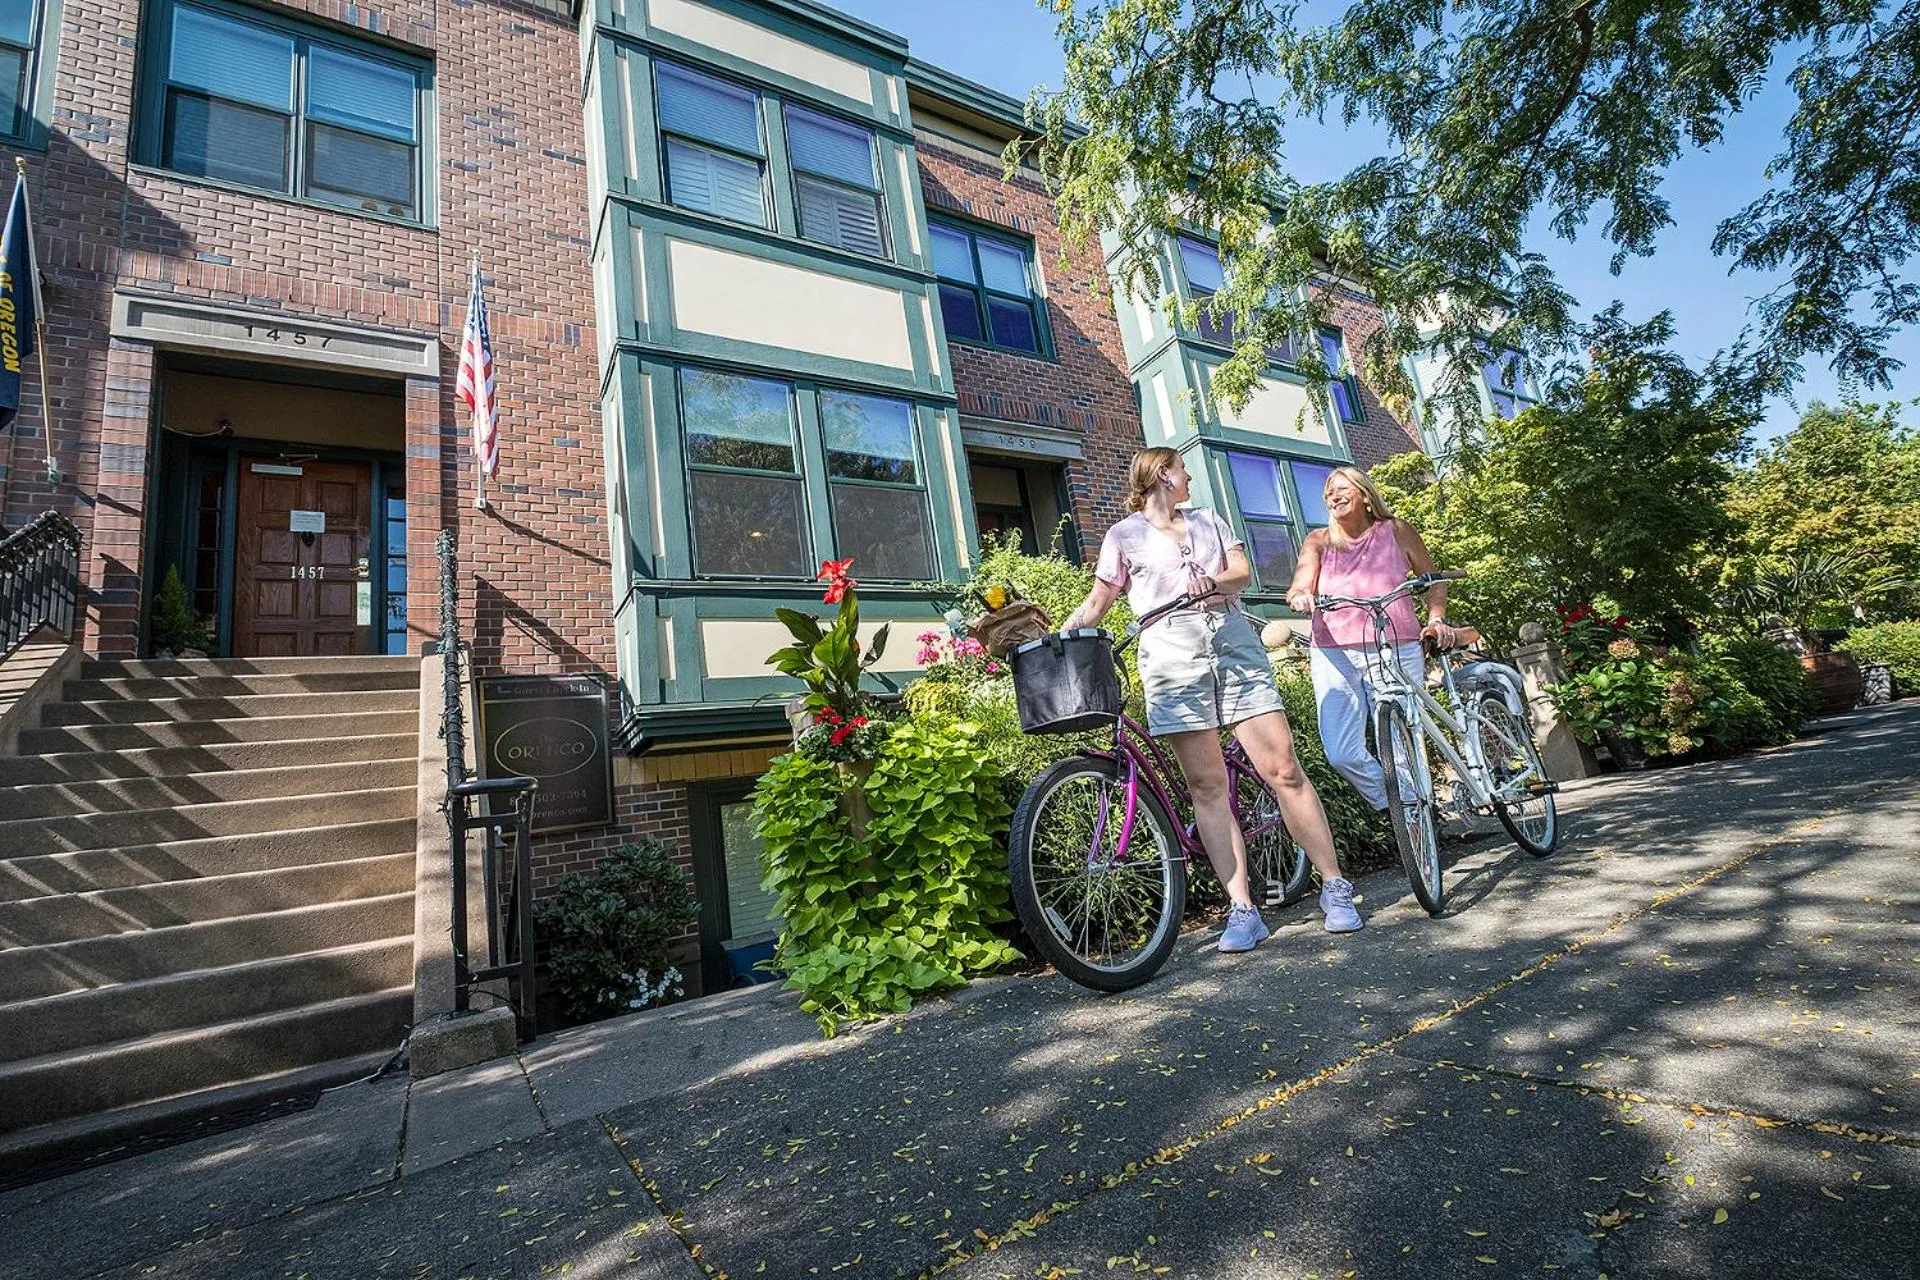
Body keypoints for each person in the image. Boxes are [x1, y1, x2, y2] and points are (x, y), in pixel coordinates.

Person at [1060, 447, 1364, 943]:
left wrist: (1214, 582)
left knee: (1283, 769)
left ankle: (1334, 886)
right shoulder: (1123, 535)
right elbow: (1098, 601)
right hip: (1170, 654)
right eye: (1183, 470)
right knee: (1207, 786)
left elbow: (1241, 571)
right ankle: (1243, 909)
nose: (1189, 478)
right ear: (1163, 474)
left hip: (1231, 639)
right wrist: (1058, 638)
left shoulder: (1208, 520)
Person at [1285, 466, 1458, 812]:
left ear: (1365, 495)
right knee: (1341, 752)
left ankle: (1416, 820)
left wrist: (1436, 618)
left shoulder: (1396, 530)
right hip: (1334, 652)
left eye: (1341, 488)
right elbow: (1300, 585)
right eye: (1328, 492)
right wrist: (1301, 596)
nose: (1333, 495)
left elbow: (1434, 579)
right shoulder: (1318, 541)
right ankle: (1401, 803)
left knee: (1401, 743)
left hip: (1394, 645)